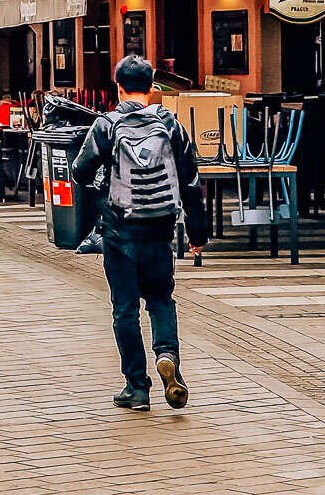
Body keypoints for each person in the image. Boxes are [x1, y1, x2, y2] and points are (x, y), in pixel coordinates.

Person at [71, 54, 207, 413]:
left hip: (120, 232)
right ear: (153, 88)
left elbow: (80, 171)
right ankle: (167, 354)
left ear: (117, 87)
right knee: (162, 299)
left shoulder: (107, 125)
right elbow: (191, 180)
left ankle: (136, 386)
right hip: (160, 229)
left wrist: (103, 192)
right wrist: (198, 232)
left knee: (125, 310)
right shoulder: (170, 124)